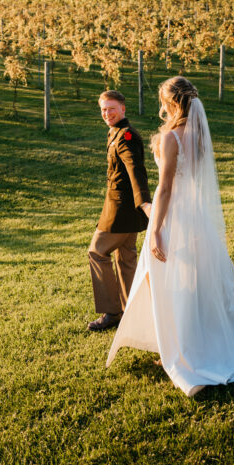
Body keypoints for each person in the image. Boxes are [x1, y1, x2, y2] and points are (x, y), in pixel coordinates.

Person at [106, 76, 234, 395]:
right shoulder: (198, 133)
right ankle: (182, 341)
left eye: (162, 101)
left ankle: (181, 351)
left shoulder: (173, 137)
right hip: (196, 217)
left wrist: (156, 229)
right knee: (191, 282)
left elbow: (166, 188)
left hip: (174, 217)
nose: (160, 107)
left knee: (169, 284)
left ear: (172, 103)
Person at [87, 90, 152, 332]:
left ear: (123, 108)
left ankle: (113, 312)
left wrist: (144, 202)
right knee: (125, 258)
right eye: (103, 109)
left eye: (111, 108)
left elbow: (136, 170)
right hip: (124, 209)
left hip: (121, 210)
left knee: (97, 252)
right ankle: (133, 310)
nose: (107, 114)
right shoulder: (116, 132)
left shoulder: (126, 136)